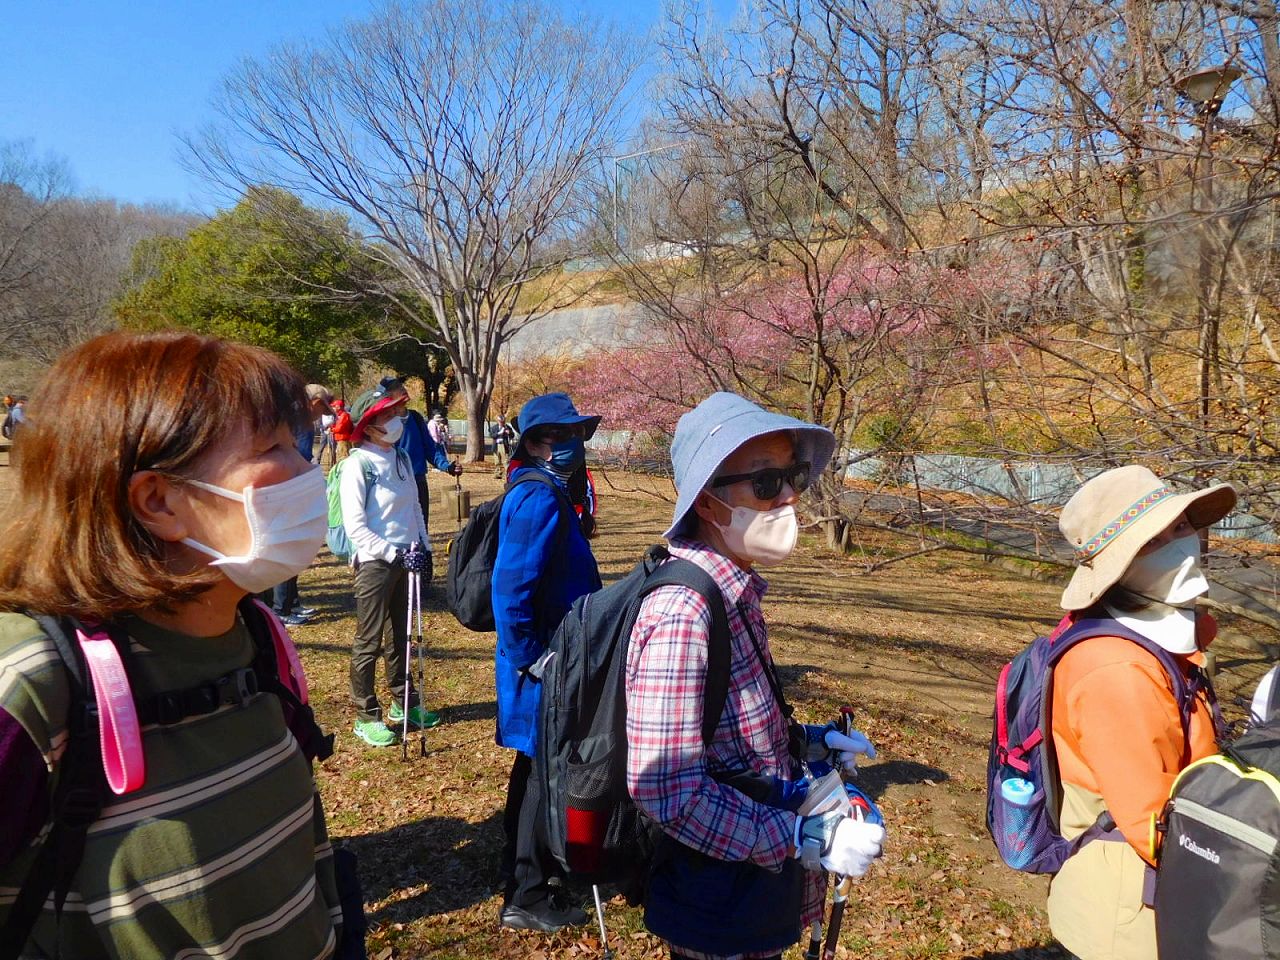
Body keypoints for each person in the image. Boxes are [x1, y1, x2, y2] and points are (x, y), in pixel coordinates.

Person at [0, 331, 343, 957]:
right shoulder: (31, 682)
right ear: (158, 501)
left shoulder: (258, 638)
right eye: (271, 448)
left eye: (298, 446)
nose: (307, 471)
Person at [625, 391, 885, 960]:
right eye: (766, 484)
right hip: (716, 897)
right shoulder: (683, 611)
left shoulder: (734, 590)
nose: (790, 495)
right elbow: (665, 790)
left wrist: (810, 740)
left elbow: (727, 734)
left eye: (793, 476)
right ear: (709, 503)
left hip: (751, 883)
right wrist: (801, 837)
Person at [1047, 465, 1233, 960]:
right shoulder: (1117, 668)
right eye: (1154, 539)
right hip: (1132, 914)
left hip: (1160, 892)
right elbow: (1153, 824)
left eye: (1180, 526)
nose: (1181, 542)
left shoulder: (1160, 643)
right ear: (1120, 566)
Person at [494, 392, 603, 932]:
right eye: (550, 438)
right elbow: (510, 588)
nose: (563, 447)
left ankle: (518, 865)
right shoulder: (537, 498)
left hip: (550, 656)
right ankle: (527, 894)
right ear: (530, 444)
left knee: (533, 766)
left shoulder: (555, 493)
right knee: (545, 770)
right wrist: (530, 657)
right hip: (542, 663)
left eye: (572, 436)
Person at [342, 382, 454, 748]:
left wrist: (423, 545)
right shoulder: (357, 465)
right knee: (369, 638)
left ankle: (403, 703)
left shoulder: (402, 458)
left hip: (407, 558)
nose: (396, 420)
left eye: (395, 413)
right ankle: (366, 715)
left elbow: (414, 508)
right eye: (387, 416)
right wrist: (393, 554)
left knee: (401, 637)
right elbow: (356, 526)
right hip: (376, 563)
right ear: (369, 425)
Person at [270, 383, 334, 625]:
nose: (322, 415)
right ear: (314, 402)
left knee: (295, 548)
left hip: (292, 487)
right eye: (322, 408)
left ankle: (291, 602)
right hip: (289, 489)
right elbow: (299, 456)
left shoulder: (292, 417)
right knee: (289, 545)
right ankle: (281, 609)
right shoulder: (298, 420)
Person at [381, 377, 460, 555]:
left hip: (418, 482)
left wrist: (447, 466)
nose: (403, 389)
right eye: (397, 388)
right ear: (388, 395)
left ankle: (420, 573)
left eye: (402, 385)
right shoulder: (385, 421)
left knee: (421, 528)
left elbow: (430, 449)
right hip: (394, 483)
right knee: (398, 529)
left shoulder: (416, 418)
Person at [490, 413, 515, 478]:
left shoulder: (507, 427)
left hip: (504, 445)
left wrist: (509, 433)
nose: (501, 423)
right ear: (498, 421)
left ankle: (507, 474)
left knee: (505, 461)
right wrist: (499, 433)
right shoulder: (494, 428)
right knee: (497, 461)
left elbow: (512, 435)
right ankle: (498, 474)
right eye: (500, 422)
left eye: (503, 422)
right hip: (496, 445)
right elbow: (492, 435)